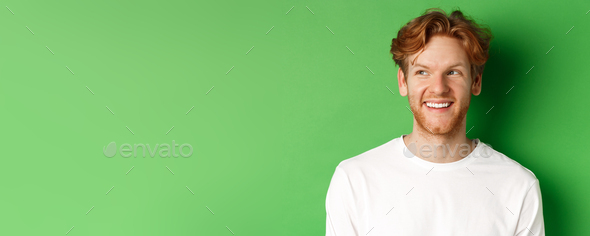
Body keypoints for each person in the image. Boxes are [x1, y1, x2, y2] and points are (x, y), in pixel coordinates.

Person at [325, 8, 545, 236]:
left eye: (453, 72)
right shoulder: (354, 180)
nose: (439, 88)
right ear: (403, 82)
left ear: (476, 82)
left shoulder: (518, 187)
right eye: (422, 72)